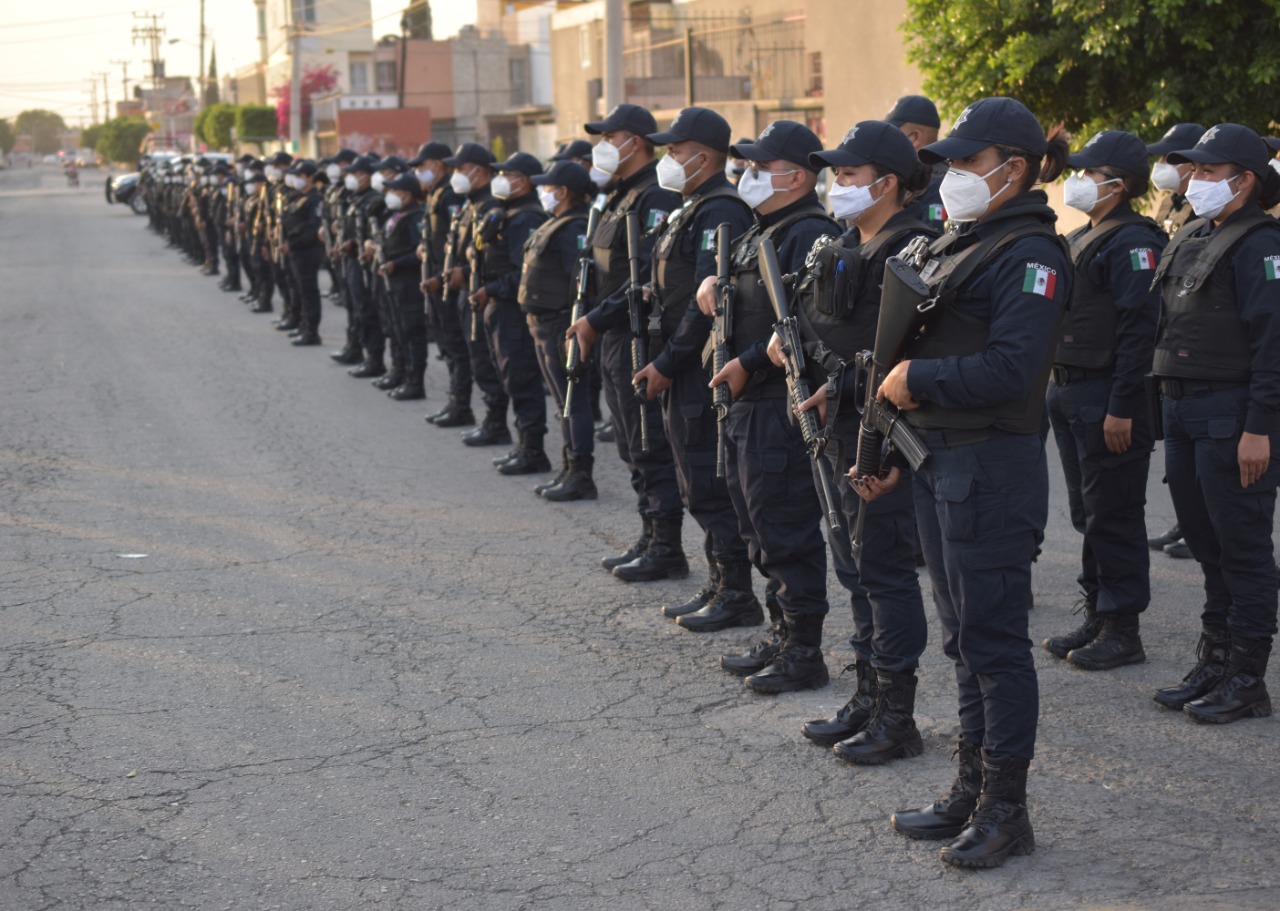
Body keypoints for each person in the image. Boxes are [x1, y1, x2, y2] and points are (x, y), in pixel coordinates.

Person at [860, 97, 1070, 868]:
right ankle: (969, 788)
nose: (950, 175)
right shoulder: (962, 242)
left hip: (989, 469)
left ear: (1012, 169)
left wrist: (922, 378)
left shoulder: (1032, 255)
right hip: (937, 463)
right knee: (962, 640)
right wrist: (886, 449)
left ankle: (1006, 811)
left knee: (995, 644)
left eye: (964, 162)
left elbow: (1014, 370)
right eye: (946, 162)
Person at [785, 120, 935, 762]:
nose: (837, 183)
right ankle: (868, 692)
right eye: (835, 173)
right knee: (854, 566)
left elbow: (903, 355)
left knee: (886, 571)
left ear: (888, 182)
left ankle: (897, 717)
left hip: (883, 436)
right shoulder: (843, 242)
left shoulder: (913, 251)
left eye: (849, 174)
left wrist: (843, 390)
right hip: (837, 427)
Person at [694, 120, 840, 692]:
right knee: (756, 523)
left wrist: (749, 362)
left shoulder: (809, 232)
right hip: (746, 403)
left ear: (796, 176)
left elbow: (800, 323)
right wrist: (714, 282)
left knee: (784, 528)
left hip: (776, 405)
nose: (747, 175)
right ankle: (782, 632)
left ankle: (804, 650)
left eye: (760, 166)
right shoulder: (764, 230)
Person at [1149, 123, 1280, 724]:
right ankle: (1217, 659)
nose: (1193, 180)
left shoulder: (1260, 245)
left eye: (1206, 171)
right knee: (1206, 544)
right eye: (1193, 171)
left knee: (1243, 548)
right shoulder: (1197, 232)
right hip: (1183, 409)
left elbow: (1274, 347)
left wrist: (1261, 427)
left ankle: (1248, 679)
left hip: (1232, 416)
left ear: (1244, 179)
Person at [1042, 130, 1167, 671]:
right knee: (1088, 512)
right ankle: (1098, 610)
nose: (1078, 180)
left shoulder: (1135, 242)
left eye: (1089, 173)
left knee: (1114, 512)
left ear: (1117, 184)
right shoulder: (1083, 235)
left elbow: (1140, 331)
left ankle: (1123, 628)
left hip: (1107, 395)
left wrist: (1123, 405)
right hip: (1070, 390)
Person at [633, 106, 757, 628]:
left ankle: (736, 593)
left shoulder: (720, 211)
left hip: (696, 365)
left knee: (708, 481)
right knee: (693, 480)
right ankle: (718, 581)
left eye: (676, 151)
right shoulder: (691, 207)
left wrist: (667, 361)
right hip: (680, 362)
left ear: (703, 157)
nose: (668, 159)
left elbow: (704, 306)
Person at [565, 104, 688, 582]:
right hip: (611, 332)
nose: (601, 146)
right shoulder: (618, 197)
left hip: (635, 331)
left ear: (634, 142)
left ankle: (667, 545)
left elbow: (643, 279)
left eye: (608, 136)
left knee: (648, 443)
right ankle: (650, 533)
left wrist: (596, 318)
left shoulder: (653, 197)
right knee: (631, 445)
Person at [1145, 122, 1207, 560]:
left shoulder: (1208, 208)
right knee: (1183, 467)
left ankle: (1199, 526)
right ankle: (1188, 522)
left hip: (1203, 346)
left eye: (1172, 159)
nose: (1163, 167)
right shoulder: (1174, 202)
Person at [520, 160, 598, 500]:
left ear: (564, 192)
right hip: (542, 325)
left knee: (573, 402)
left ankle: (581, 473)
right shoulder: (556, 222)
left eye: (548, 187)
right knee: (562, 401)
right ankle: (568, 466)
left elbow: (578, 281)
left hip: (559, 325)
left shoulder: (572, 228)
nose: (543, 192)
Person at [473, 152, 552, 472]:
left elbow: (524, 271)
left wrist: (491, 290)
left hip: (512, 308)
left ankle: (533, 450)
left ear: (526, 181)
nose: (501, 179)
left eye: (509, 174)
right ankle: (522, 443)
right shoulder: (507, 211)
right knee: (507, 374)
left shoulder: (526, 217)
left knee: (521, 377)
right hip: (498, 306)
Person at [438, 143, 511, 442]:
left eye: (459, 168)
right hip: (466, 292)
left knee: (485, 361)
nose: (455, 174)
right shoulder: (470, 205)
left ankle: (496, 424)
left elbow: (493, 259)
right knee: (473, 356)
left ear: (478, 171)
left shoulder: (491, 206)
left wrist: (464, 273)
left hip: (481, 291)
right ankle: (483, 417)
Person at [376, 172, 429, 398]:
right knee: (397, 330)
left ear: (407, 194)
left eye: (394, 191)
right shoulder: (397, 215)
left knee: (411, 332)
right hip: (394, 282)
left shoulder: (415, 217)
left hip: (408, 282)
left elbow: (418, 253)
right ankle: (399, 373)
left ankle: (415, 382)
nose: (390, 195)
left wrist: (395, 263)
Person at [885, 94, 947, 234]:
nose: (887, 141)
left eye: (893, 134)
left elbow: (932, 242)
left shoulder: (936, 183)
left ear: (915, 138)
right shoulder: (913, 176)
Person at [281, 160, 325, 346]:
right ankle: (303, 326)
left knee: (308, 292)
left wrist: (293, 243)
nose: (296, 179)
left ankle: (311, 331)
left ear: (310, 178)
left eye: (300, 176)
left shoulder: (315, 200)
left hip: (307, 251)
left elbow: (312, 230)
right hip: (296, 250)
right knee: (300, 290)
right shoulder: (298, 197)